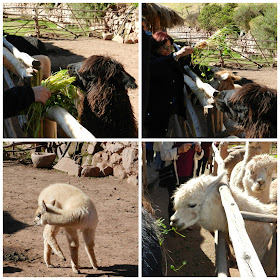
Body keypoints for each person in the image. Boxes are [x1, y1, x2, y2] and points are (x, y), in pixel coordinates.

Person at [144, 31, 194, 137]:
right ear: (155, 47)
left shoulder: (169, 59)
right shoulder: (150, 60)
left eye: (170, 48)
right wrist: (176, 55)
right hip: (156, 109)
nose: (168, 51)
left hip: (170, 106)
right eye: (165, 48)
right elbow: (157, 65)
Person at [160, 142, 204, 222]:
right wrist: (178, 150)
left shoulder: (193, 136)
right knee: (174, 203)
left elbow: (198, 157)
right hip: (174, 178)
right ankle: (173, 226)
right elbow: (163, 155)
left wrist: (199, 151)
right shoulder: (171, 136)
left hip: (190, 176)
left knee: (187, 202)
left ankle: (184, 222)